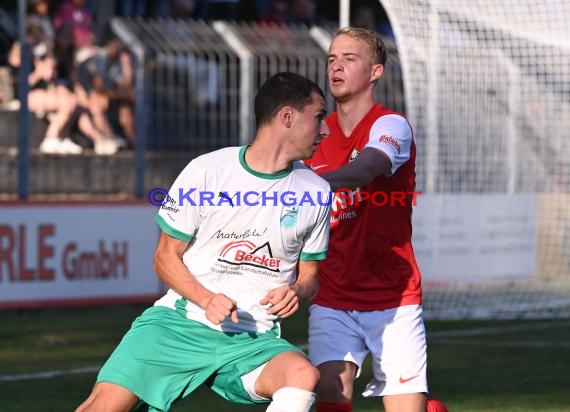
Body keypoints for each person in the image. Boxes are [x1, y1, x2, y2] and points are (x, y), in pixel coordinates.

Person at [75, 71, 332, 412]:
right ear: (287, 116)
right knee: (102, 407)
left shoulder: (317, 191)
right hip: (180, 322)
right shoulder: (208, 170)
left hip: (253, 339)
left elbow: (310, 275)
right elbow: (164, 256)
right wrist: (207, 299)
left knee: (303, 374)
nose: (325, 129)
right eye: (319, 117)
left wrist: (297, 291)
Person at [304, 28, 446, 412]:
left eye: (350, 59)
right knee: (330, 395)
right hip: (333, 295)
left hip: (392, 297)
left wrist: (306, 184)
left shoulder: (391, 125)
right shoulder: (314, 133)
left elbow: (366, 168)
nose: (337, 67)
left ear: (375, 72)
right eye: (332, 59)